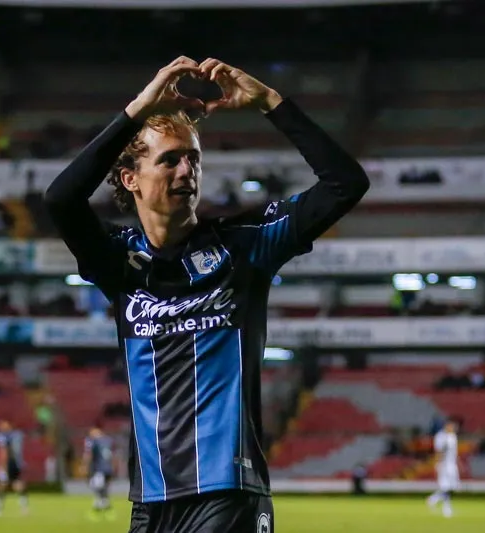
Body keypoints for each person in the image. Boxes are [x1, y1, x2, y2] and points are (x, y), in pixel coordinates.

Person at [44, 56, 369, 533]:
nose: (186, 171)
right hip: (151, 501)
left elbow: (345, 184)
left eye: (193, 159)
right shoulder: (119, 262)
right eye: (170, 159)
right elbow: (60, 199)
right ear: (131, 178)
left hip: (228, 495)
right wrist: (137, 110)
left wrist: (270, 102)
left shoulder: (246, 245)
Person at [0, 419, 29, 517]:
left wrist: (3, 466)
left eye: (3, 424)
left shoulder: (4, 437)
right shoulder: (18, 435)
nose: (1, 427)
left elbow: (4, 452)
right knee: (17, 484)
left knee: (1, 485)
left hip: (9, 463)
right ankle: (24, 507)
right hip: (17, 463)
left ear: (9, 425)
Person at [83, 423, 117, 521]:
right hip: (108, 469)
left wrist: (85, 466)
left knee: (99, 489)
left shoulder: (93, 441)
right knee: (103, 489)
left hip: (99, 469)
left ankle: (103, 509)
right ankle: (104, 509)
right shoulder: (108, 440)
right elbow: (113, 455)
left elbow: (89, 454)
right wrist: (113, 467)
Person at [427, 419, 460, 518]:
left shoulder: (453, 436)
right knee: (445, 486)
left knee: (454, 487)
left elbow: (454, 452)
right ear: (446, 426)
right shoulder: (440, 437)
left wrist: (458, 462)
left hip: (452, 464)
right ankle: (446, 508)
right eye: (452, 426)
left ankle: (433, 498)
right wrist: (437, 463)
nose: (453, 428)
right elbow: (439, 451)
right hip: (443, 465)